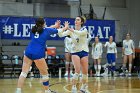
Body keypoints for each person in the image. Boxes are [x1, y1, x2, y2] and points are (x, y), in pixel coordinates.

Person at [15, 18, 69, 93]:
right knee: (45, 74)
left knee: (23, 73)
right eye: (45, 22)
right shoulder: (46, 30)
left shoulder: (34, 29)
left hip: (28, 52)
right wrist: (66, 26)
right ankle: (47, 91)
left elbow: (46, 28)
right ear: (43, 24)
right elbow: (60, 30)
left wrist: (55, 25)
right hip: (38, 54)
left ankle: (18, 90)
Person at [59, 16, 90, 93]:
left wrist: (71, 30)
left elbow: (80, 33)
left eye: (78, 20)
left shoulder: (84, 29)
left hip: (84, 51)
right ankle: (74, 87)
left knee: (85, 72)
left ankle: (83, 87)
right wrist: (63, 28)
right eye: (75, 20)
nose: (76, 21)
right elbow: (60, 35)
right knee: (77, 71)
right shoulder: (70, 31)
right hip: (75, 52)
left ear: (81, 22)